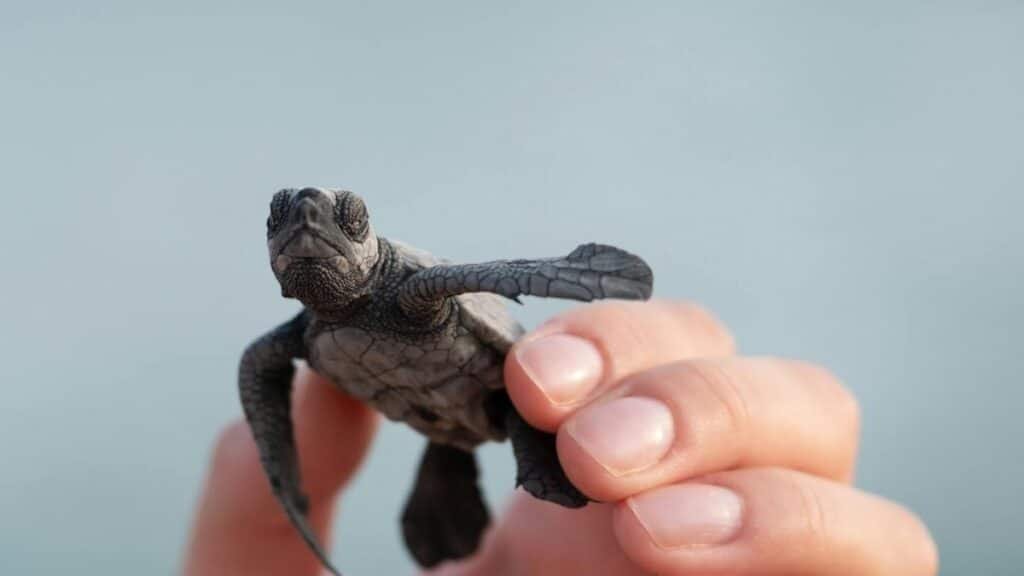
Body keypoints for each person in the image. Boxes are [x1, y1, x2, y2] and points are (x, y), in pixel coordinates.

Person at [183, 300, 938, 575]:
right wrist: (279, 493)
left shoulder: (409, 289)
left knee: (556, 414)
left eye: (333, 220)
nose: (304, 235)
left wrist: (577, 282)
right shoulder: (277, 352)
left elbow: (499, 279)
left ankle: (541, 451)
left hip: (504, 398)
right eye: (282, 224)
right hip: (440, 424)